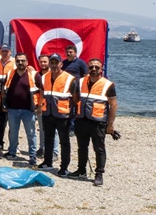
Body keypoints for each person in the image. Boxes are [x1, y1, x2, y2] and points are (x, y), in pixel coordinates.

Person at [69, 58, 117, 187]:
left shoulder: (108, 84)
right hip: (81, 120)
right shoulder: (80, 82)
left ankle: (99, 174)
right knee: (82, 147)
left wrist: (110, 124)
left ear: (101, 69)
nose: (94, 69)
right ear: (88, 68)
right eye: (91, 67)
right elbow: (75, 98)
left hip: (98, 122)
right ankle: (81, 170)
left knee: (99, 149)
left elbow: (113, 105)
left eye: (96, 67)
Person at [38, 53, 78, 174]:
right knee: (48, 139)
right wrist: (40, 106)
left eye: (57, 63)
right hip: (48, 114)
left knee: (64, 141)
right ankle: (47, 162)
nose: (54, 65)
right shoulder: (44, 77)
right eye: (52, 63)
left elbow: (76, 98)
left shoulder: (70, 79)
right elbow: (41, 92)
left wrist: (74, 113)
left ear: (61, 64)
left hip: (63, 116)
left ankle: (64, 167)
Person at [2, 53, 43, 168]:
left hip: (28, 110)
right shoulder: (10, 73)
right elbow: (4, 89)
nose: (20, 63)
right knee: (13, 132)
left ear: (27, 62)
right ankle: (12, 152)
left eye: (23, 61)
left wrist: (39, 106)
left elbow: (41, 90)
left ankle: (32, 156)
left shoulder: (34, 74)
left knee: (31, 134)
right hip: (13, 109)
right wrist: (4, 104)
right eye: (18, 61)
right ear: (15, 61)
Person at [0, 44, 15, 150]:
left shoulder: (15, 62)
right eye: (3, 51)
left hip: (11, 96)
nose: (5, 52)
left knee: (12, 122)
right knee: (0, 121)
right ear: (0, 52)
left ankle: (14, 145)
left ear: (10, 52)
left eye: (6, 51)